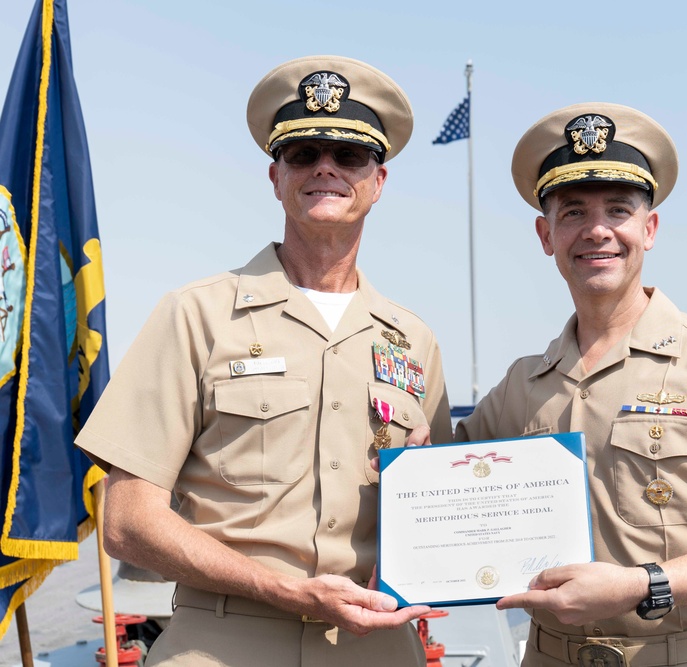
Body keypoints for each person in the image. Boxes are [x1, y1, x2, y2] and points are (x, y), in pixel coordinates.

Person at [75, 56, 452, 666]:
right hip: (224, 639)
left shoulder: (414, 342)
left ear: (378, 182)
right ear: (275, 177)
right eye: (303, 154)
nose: (325, 166)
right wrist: (285, 588)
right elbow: (126, 520)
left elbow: (438, 523)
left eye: (348, 156)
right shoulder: (195, 315)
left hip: (375, 645)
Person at [455, 103, 687, 667]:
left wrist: (640, 585)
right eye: (573, 212)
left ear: (648, 229)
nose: (597, 230)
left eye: (618, 211)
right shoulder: (521, 385)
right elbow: (433, 487)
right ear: (545, 234)